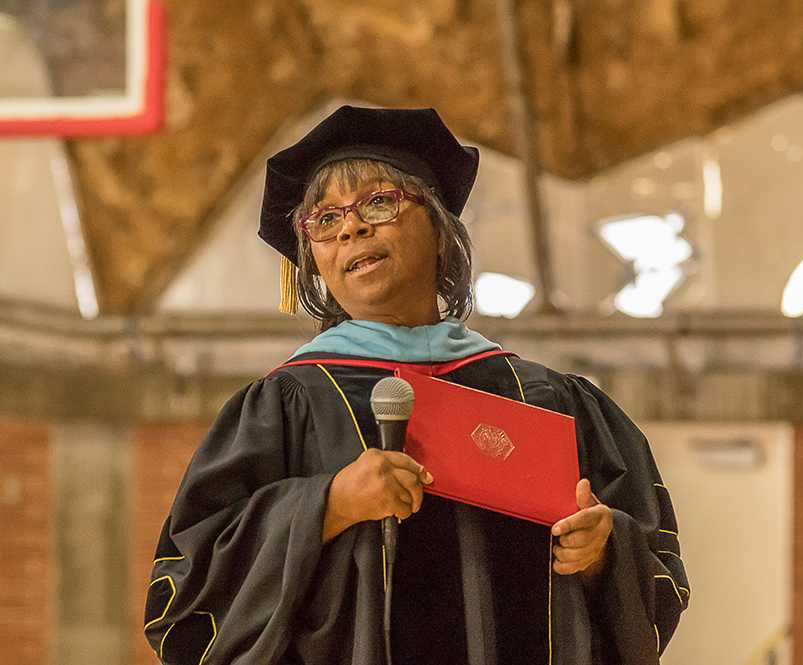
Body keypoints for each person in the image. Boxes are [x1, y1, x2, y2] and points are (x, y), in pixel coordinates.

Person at [143, 106, 689, 665]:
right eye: (325, 220)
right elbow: (187, 598)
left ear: (439, 226)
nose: (351, 227)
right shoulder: (287, 406)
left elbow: (656, 572)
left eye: (379, 202)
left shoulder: (546, 398)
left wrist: (602, 550)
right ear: (314, 262)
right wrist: (326, 507)